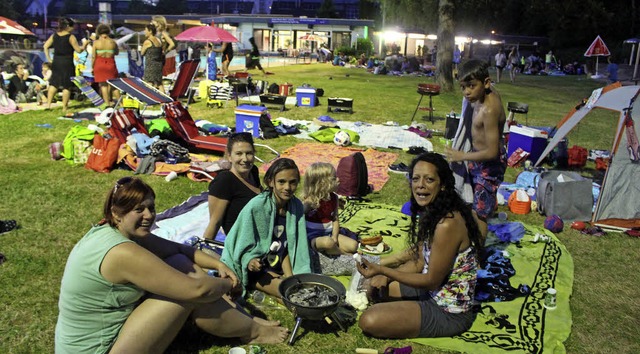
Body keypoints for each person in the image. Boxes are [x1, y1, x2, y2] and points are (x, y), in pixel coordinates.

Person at [55, 177, 289, 353]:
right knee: (189, 293)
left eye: (151, 207)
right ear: (116, 213)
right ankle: (252, 331)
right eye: (139, 210)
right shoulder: (122, 252)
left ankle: (241, 319)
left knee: (178, 262)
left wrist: (220, 264)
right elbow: (196, 290)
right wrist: (227, 284)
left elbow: (178, 249)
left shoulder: (114, 232)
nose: (149, 215)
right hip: (98, 349)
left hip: (103, 336)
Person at [355, 152, 482, 339]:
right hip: (430, 292)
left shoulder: (448, 224)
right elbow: (419, 263)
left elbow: (432, 280)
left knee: (369, 320)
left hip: (448, 311)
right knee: (370, 288)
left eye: (429, 179)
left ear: (444, 185)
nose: (420, 185)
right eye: (416, 179)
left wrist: (384, 271)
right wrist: (385, 277)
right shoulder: (433, 211)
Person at [220, 158, 311, 299]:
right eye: (281, 182)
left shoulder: (296, 206)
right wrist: (249, 261)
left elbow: (290, 246)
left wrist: (291, 276)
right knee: (289, 293)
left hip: (279, 262)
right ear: (270, 182)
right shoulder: (257, 206)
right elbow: (241, 245)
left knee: (301, 287)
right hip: (257, 268)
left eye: (293, 182)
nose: (287, 187)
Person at [445, 59, 506, 238]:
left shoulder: (489, 110)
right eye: (463, 87)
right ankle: (469, 235)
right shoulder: (479, 96)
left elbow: (492, 152)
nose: (466, 92)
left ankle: (478, 253)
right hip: (476, 157)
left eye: (471, 86)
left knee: (480, 214)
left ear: (486, 83)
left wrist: (462, 155)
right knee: (471, 198)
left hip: (490, 164)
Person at [203, 132, 261, 241]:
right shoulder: (224, 181)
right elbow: (214, 223)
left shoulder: (253, 171)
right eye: (239, 154)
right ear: (229, 156)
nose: (245, 159)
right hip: (243, 243)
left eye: (249, 153)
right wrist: (205, 247)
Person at [301, 162, 358, 256]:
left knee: (353, 245)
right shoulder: (311, 201)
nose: (338, 179)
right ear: (322, 184)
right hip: (313, 237)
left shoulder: (334, 198)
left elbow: (335, 219)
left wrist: (335, 236)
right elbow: (297, 218)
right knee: (328, 243)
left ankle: (332, 250)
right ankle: (347, 256)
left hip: (329, 233)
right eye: (334, 178)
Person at [43, 17, 88, 113]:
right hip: (67, 62)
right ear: (68, 26)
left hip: (56, 61)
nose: (74, 28)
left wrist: (49, 59)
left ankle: (48, 105)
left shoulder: (54, 36)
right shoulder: (71, 37)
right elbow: (78, 50)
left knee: (54, 83)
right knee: (67, 85)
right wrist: (85, 45)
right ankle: (64, 107)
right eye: (72, 27)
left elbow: (45, 46)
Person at [91, 24, 120, 106]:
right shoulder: (113, 42)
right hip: (110, 64)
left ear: (98, 32)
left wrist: (92, 67)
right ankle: (121, 103)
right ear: (108, 32)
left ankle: (107, 103)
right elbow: (117, 53)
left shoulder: (96, 43)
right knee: (114, 85)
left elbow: (93, 56)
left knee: (103, 85)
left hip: (99, 64)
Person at [141, 24, 165, 93]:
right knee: (159, 84)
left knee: (149, 83)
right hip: (158, 64)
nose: (144, 32)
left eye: (146, 30)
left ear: (150, 31)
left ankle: (150, 101)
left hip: (150, 65)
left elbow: (142, 53)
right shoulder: (158, 40)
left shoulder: (147, 42)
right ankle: (165, 100)